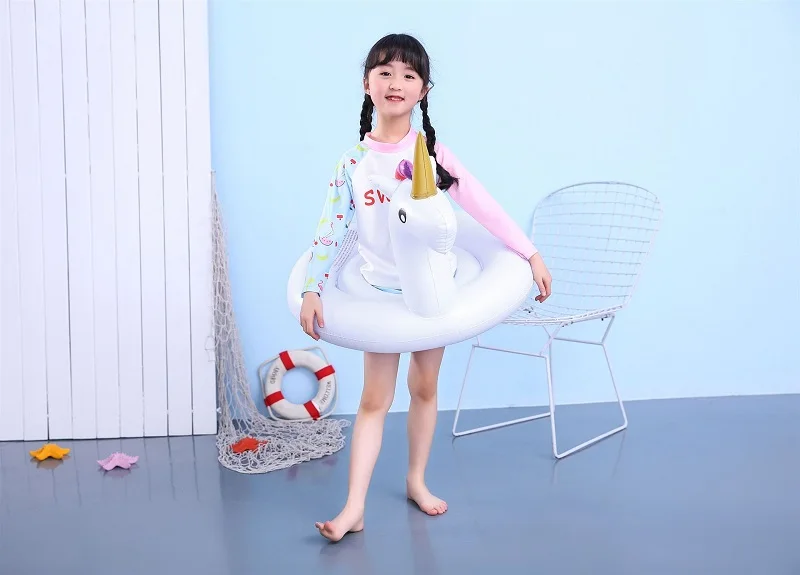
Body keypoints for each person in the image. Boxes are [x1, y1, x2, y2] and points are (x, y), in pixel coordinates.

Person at [299, 33, 552, 542]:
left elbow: (481, 204)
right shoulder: (352, 164)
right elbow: (331, 230)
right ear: (367, 83)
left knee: (424, 387)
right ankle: (354, 508)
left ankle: (416, 479)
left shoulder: (431, 154)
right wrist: (312, 288)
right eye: (385, 72)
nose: (396, 82)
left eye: (409, 74)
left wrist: (529, 253)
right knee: (375, 399)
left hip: (431, 287)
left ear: (424, 90)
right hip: (378, 294)